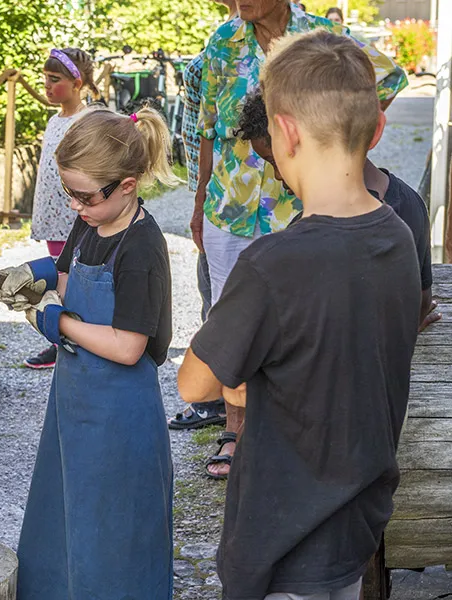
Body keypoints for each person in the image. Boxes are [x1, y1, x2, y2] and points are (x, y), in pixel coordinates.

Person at [178, 30, 421, 599]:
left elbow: (195, 382)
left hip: (280, 542)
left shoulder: (272, 263)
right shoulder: (399, 233)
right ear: (377, 129)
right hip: (355, 528)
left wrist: (239, 387)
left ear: (283, 132)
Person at [192, 0, 408, 478]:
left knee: (304, 324)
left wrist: (346, 139)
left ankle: (286, 434)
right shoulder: (222, 42)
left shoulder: (320, 38)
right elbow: (207, 127)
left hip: (299, 205)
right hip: (231, 204)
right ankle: (235, 434)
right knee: (231, 317)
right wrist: (199, 199)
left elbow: (390, 77)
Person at [0, 107, 177, 599]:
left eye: (85, 196)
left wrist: (60, 323)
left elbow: (129, 346)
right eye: (68, 193)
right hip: (74, 403)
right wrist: (42, 274)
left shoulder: (142, 247)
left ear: (128, 185)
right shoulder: (92, 220)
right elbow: (74, 276)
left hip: (119, 414)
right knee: (65, 519)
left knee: (113, 532)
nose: (75, 206)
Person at [237, 90, 441, 331]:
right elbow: (421, 302)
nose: (278, 176)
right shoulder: (411, 202)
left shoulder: (308, 234)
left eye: (275, 161)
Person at [170, 0, 237, 430]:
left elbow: (200, 133)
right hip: (217, 198)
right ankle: (218, 402)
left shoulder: (229, 44)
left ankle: (220, 405)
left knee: (221, 305)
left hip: (239, 200)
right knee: (214, 300)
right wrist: (201, 202)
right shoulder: (223, 41)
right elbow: (200, 135)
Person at [16, 48, 95, 370]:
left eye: (55, 80)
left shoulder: (87, 120)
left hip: (75, 217)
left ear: (77, 82)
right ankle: (59, 338)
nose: (47, 86)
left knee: (74, 276)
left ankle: (77, 335)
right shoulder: (54, 119)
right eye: (45, 79)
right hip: (53, 217)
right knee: (59, 275)